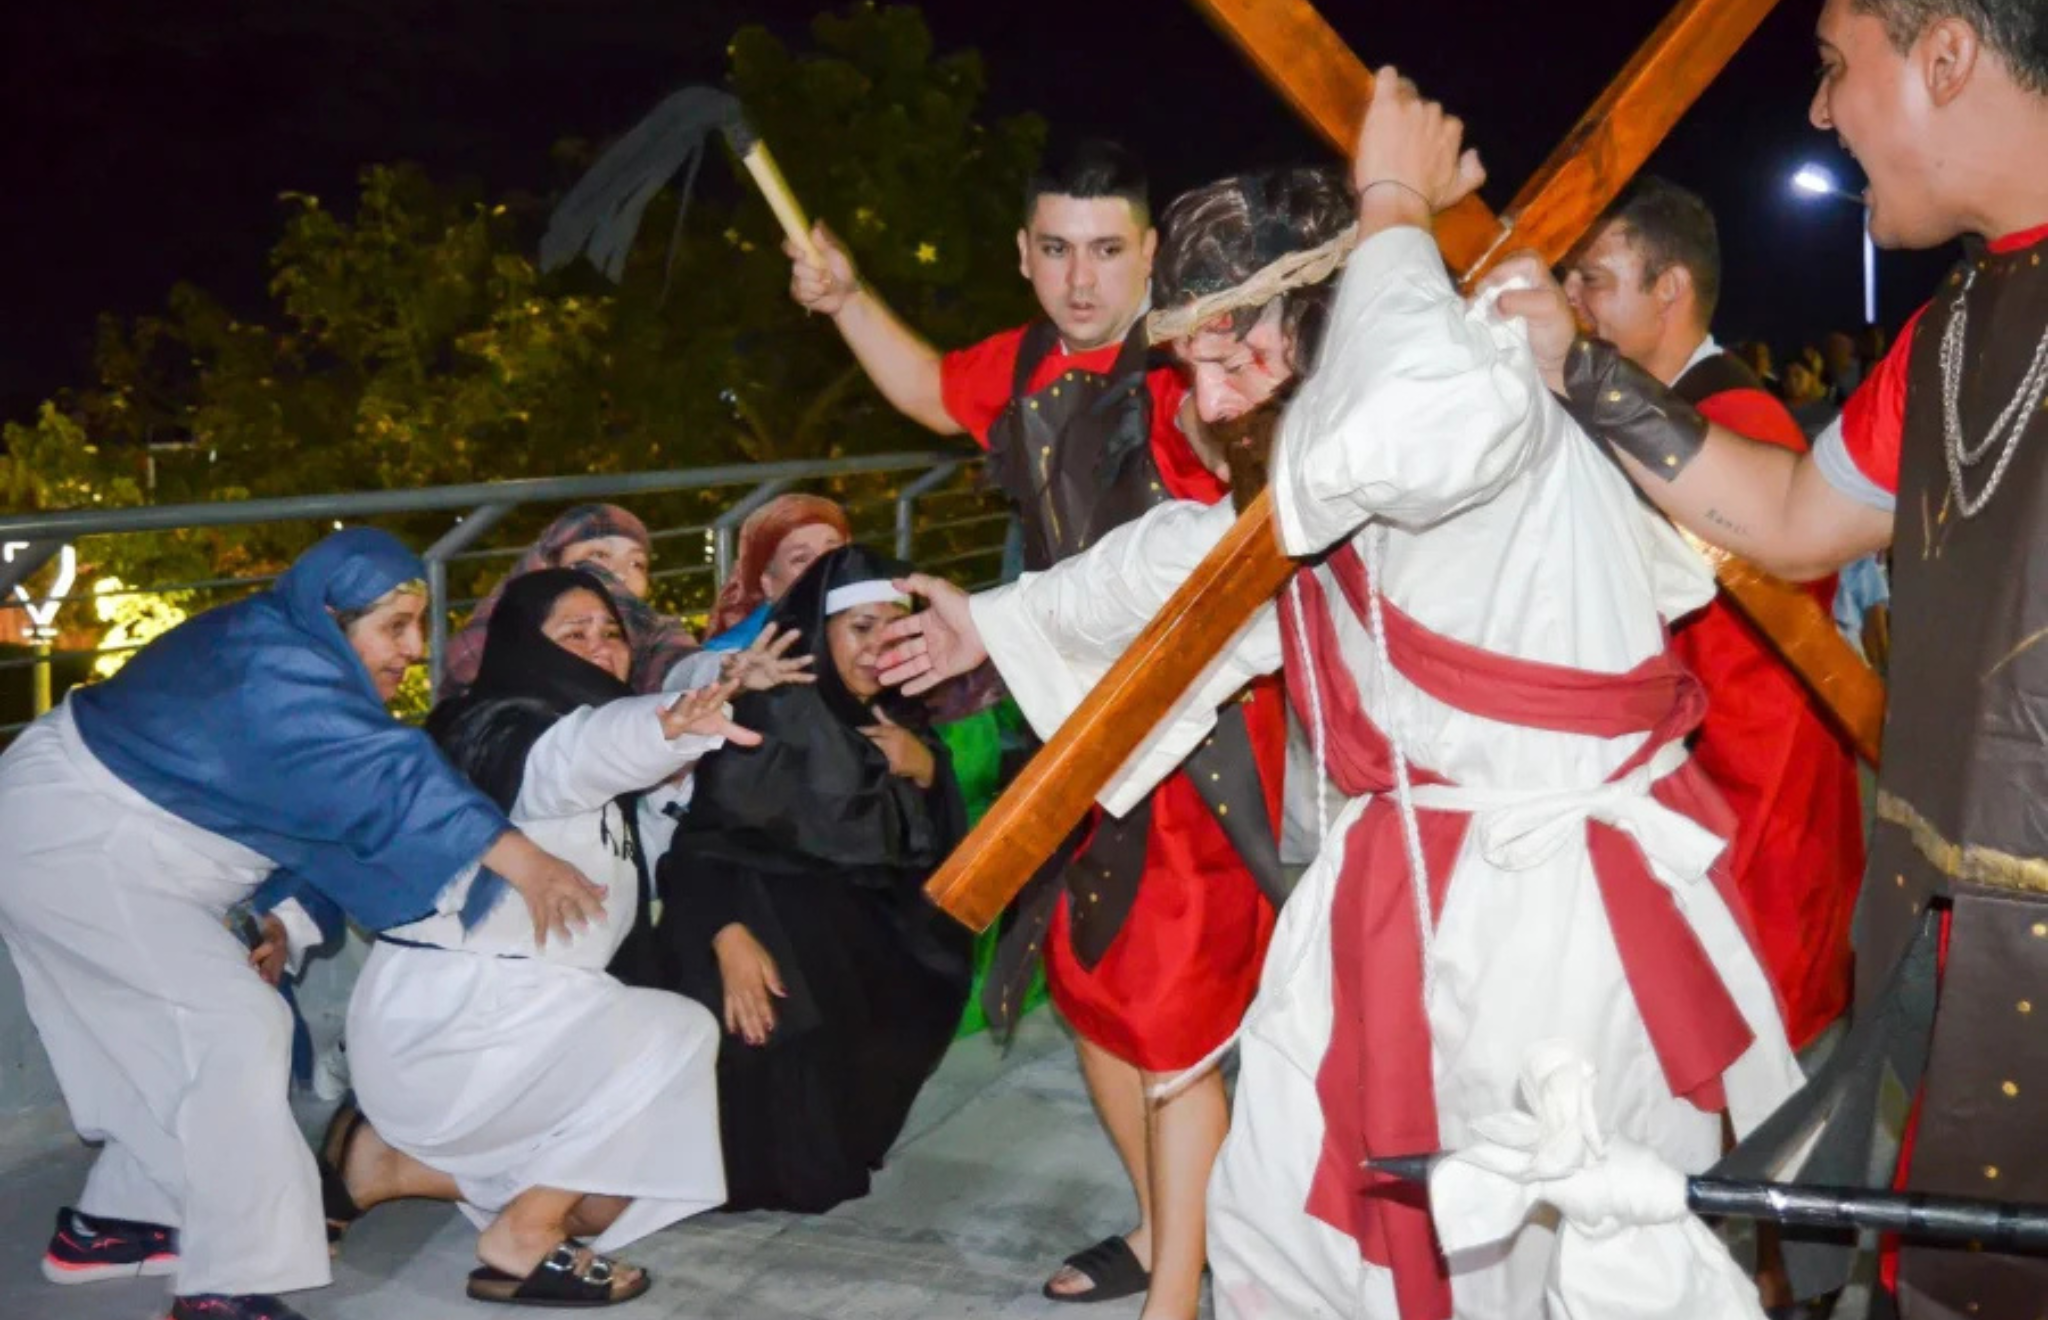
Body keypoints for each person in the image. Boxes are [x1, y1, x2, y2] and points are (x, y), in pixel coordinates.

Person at [876, 73, 1801, 1319]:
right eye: (1188, 363)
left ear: (1320, 315)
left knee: (1566, 1251)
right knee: (1293, 1223)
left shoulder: (1468, 399)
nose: (1203, 403)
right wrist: (984, 622)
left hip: (1554, 914)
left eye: (1228, 352)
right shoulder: (1319, 465)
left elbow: (1388, 426)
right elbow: (1178, 564)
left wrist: (1391, 206)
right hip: (1403, 894)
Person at [1484, 3, 2048, 1314]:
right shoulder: (1951, 331)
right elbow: (1794, 520)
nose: (1819, 111)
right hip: (1962, 960)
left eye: (1836, 69)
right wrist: (1579, 370)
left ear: (1946, 54)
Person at [791, 137, 1286, 1316]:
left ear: (1151, 252)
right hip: (1060, 702)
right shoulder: (1019, 362)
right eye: (1057, 251)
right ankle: (1170, 1222)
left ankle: (1175, 1290)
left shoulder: (1195, 367)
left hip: (1195, 723)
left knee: (1167, 1003)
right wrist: (849, 297)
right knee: (1087, 982)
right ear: (1023, 256)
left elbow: (1217, 557)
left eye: (1108, 251)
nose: (1082, 281)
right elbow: (922, 388)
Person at [0, 528, 603, 1320]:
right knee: (229, 1028)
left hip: (105, 846)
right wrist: (523, 858)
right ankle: (227, 1284)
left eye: (419, 626)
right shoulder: (272, 663)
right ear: (330, 616)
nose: (415, 650)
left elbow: (317, 817)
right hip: (80, 840)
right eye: (394, 627)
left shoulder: (297, 663)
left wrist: (281, 920)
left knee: (160, 1045)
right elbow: (385, 773)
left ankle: (118, 1225)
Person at [336, 569, 771, 1307]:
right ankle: (521, 1236)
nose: (601, 648)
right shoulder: (501, 728)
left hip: (524, 1024)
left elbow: (668, 831)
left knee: (612, 1204)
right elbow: (576, 758)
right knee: (678, 1033)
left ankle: (387, 1167)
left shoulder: (580, 733)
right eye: (575, 634)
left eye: (611, 633)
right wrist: (663, 723)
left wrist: (715, 688)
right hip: (457, 1024)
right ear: (523, 648)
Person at [1561, 177, 1866, 1056]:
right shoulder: (1671, 415)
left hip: (1752, 786)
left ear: (1671, 289)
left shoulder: (1736, 422)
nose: (1576, 307)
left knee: (1759, 1055)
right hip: (1717, 777)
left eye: (1596, 282)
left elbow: (1721, 653)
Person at [656, 544, 974, 1214]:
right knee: (791, 973)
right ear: (821, 634)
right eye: (861, 629)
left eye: (896, 630)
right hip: (766, 926)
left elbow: (938, 855)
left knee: (922, 959)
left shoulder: (901, 718)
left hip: (867, 935)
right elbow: (703, 844)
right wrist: (727, 933)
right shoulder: (774, 713)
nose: (877, 650)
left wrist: (926, 772)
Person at [441, 503, 698, 697]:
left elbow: (678, 662)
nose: (620, 573)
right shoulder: (508, 624)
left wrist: (714, 671)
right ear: (551, 564)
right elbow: (465, 663)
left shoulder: (653, 632)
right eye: (598, 555)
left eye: (637, 563)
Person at [701, 493, 852, 651]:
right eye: (801, 559)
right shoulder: (732, 658)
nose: (824, 566)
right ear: (768, 584)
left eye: (834, 552)